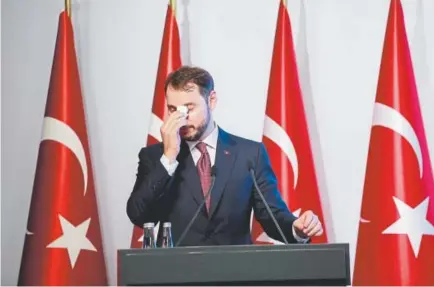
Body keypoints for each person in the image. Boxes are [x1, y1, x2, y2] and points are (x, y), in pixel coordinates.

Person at [126, 66, 323, 246]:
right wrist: (169, 157)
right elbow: (139, 215)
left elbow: (272, 216)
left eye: (189, 108)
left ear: (211, 100)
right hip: (179, 275)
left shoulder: (249, 154)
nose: (182, 119)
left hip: (235, 275)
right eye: (172, 110)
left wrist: (297, 229)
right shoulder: (155, 157)